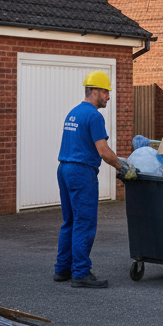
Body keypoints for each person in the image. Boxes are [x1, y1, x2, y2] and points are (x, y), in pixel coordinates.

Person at [54, 71, 134, 288]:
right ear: (96, 91)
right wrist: (123, 167)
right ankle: (80, 273)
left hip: (65, 168)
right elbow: (104, 151)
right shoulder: (94, 116)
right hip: (81, 172)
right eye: (106, 92)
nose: (108, 96)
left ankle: (62, 269)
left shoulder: (74, 113)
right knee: (84, 222)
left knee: (69, 221)